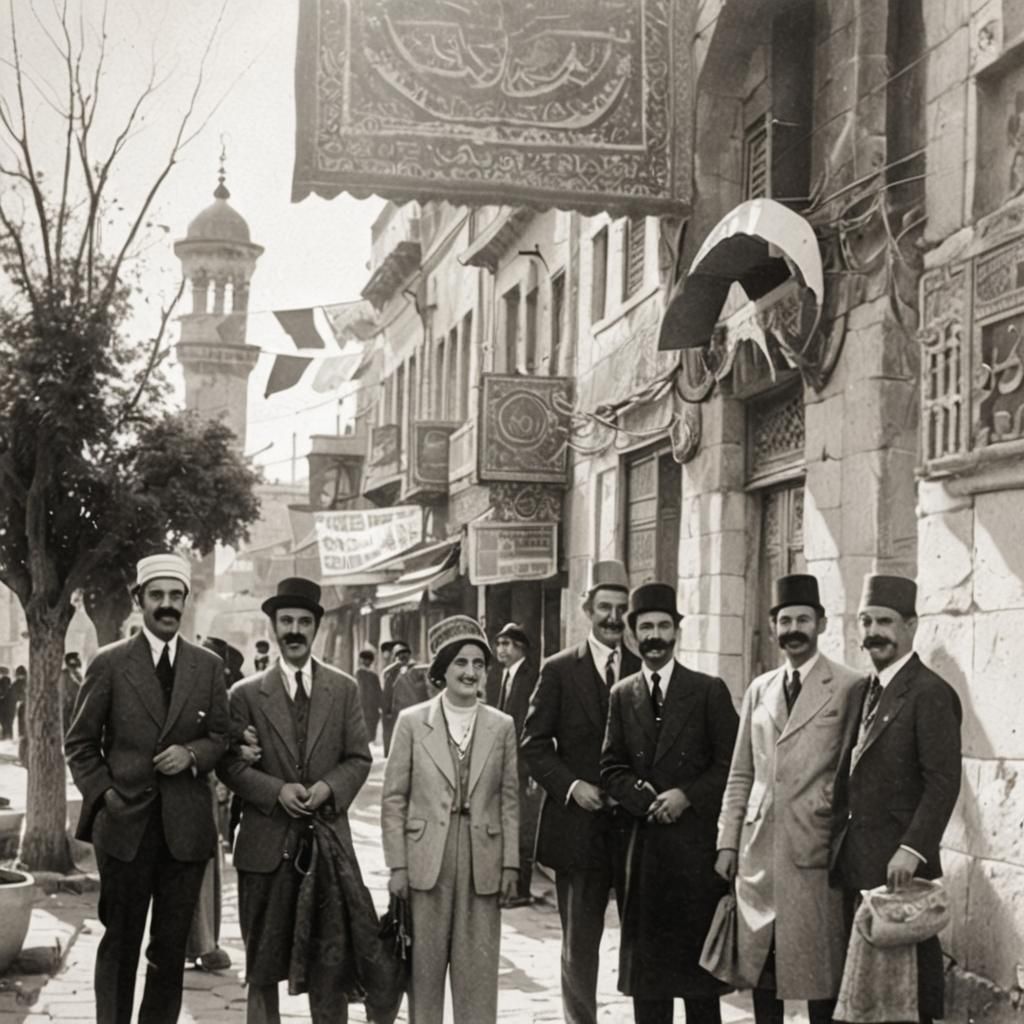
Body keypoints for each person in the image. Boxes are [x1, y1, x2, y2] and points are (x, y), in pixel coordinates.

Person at [65, 553, 229, 1024]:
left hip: (185, 833)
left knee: (170, 951)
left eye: (176, 595)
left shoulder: (207, 666)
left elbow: (221, 736)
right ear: (140, 600)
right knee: (120, 944)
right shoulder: (110, 662)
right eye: (156, 595)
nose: (167, 605)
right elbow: (80, 744)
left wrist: (192, 754)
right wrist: (106, 796)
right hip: (124, 830)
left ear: (186, 600)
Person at [219, 576, 371, 1024]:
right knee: (262, 968)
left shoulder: (343, 689)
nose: (294, 631)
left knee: (330, 966)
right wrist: (276, 791)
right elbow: (229, 765)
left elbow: (359, 758)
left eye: (304, 622)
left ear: (316, 628)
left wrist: (328, 788)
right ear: (273, 626)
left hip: (326, 849)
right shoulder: (245, 694)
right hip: (265, 849)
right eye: (286, 621)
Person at [715, 574, 863, 1024]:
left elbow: (856, 771)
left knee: (820, 970)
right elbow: (741, 772)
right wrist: (727, 841)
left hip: (815, 847)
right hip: (759, 848)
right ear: (774, 626)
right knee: (763, 969)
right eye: (785, 621)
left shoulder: (849, 686)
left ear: (821, 624)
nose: (793, 629)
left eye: (803, 619)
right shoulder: (760, 688)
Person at [601, 581, 738, 1024]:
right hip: (644, 855)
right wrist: (643, 798)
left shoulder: (708, 690)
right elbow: (610, 767)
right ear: (632, 635)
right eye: (646, 628)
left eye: (663, 626)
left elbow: (732, 765)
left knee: (700, 986)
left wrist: (686, 796)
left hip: (696, 855)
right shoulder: (622, 694)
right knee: (650, 985)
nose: (655, 636)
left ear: (677, 632)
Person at [832, 574, 962, 1024]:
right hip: (856, 862)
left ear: (911, 625)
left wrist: (912, 848)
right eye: (866, 621)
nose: (873, 632)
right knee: (865, 992)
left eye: (884, 621)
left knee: (909, 992)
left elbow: (943, 782)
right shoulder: (860, 691)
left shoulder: (930, 693)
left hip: (901, 869)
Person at [382, 615, 519, 1023]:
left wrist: (511, 864)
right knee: (423, 974)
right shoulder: (412, 722)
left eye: (478, 663)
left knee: (478, 974)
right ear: (442, 669)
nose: (470, 672)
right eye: (460, 662)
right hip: (426, 862)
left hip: (483, 860)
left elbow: (509, 799)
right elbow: (394, 799)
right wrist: (398, 866)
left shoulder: (501, 726)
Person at [522, 560, 641, 1024]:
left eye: (621, 609)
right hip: (577, 829)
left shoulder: (643, 669)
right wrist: (572, 786)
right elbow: (533, 744)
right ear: (587, 609)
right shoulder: (558, 670)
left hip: (634, 830)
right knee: (579, 945)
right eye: (604, 608)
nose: (613, 618)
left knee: (643, 940)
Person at [492, 621, 542, 906]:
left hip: (524, 764)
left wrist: (533, 767)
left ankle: (521, 889)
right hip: (509, 761)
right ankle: (510, 886)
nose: (501, 649)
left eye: (507, 644)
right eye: (499, 644)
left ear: (520, 648)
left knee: (523, 825)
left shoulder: (530, 677)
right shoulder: (506, 675)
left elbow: (532, 724)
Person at [381, 640, 429, 756]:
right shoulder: (392, 672)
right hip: (399, 710)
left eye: (405, 653)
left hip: (415, 708)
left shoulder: (417, 669)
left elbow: (424, 688)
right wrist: (387, 709)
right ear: (395, 657)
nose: (403, 656)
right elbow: (388, 691)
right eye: (399, 654)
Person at [356, 647, 382, 744]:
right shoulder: (362, 674)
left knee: (366, 732)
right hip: (367, 707)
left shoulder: (361, 674)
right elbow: (378, 693)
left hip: (368, 707)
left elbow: (378, 692)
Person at [59, 653, 84, 733]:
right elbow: (65, 692)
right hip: (68, 708)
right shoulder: (64, 675)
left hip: (77, 707)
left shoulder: (78, 675)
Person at [13, 665, 27, 764]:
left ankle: (22, 758)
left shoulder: (17, 684)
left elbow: (14, 696)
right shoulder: (28, 682)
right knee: (24, 735)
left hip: (23, 709)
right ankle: (23, 757)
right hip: (25, 709)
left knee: (23, 735)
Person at [0, 666, 14, 741]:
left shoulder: (4, 680)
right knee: (7, 720)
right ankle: (8, 735)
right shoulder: (8, 681)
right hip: (8, 704)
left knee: (4, 720)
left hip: (3, 704)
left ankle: (5, 735)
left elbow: (3, 693)